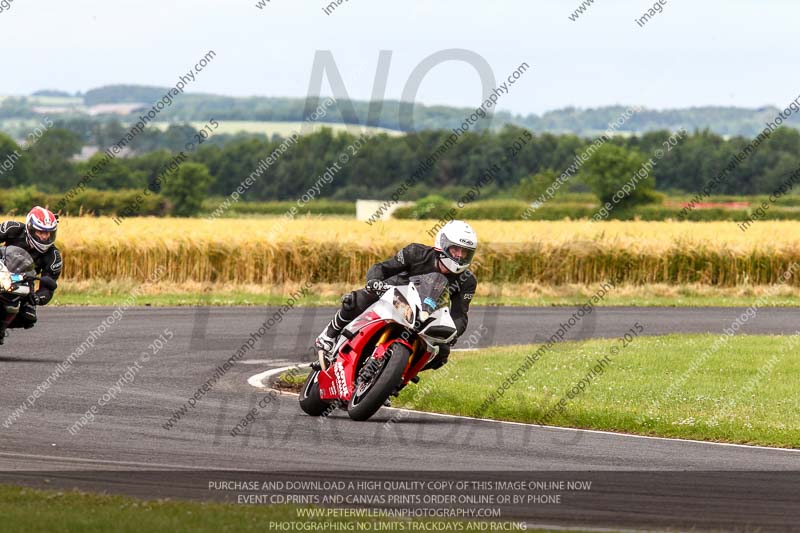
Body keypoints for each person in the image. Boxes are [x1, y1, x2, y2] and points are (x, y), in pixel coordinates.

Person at [315, 220, 478, 371]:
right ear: (443, 244)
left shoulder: (467, 281)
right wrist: (374, 282)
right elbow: (382, 268)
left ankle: (397, 379)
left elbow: (459, 315)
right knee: (357, 299)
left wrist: (453, 333)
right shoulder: (415, 253)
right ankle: (329, 336)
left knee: (442, 353)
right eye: (455, 249)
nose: (459, 256)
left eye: (465, 252)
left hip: (425, 317)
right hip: (395, 297)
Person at [0, 206, 62, 332]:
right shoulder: (12, 228)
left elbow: (48, 288)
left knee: (28, 317)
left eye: (48, 232)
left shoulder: (53, 256)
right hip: (2, 269)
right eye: (41, 232)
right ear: (30, 228)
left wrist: (38, 297)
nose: (45, 237)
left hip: (24, 281)